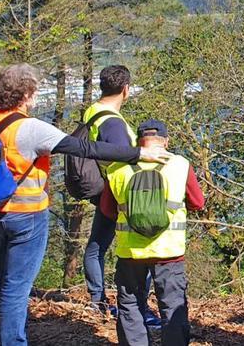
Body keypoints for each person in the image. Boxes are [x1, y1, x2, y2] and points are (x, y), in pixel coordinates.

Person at [0, 64, 169, 346]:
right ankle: (12, 339)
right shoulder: (30, 128)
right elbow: (85, 148)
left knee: (3, 277)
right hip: (27, 217)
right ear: (27, 95)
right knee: (17, 286)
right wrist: (139, 153)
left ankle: (8, 325)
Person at [100, 119, 206, 346]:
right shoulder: (180, 164)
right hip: (169, 252)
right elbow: (198, 202)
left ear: (139, 141)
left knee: (130, 306)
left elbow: (107, 210)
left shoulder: (117, 168)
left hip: (130, 252)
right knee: (172, 306)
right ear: (166, 141)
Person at [81, 65, 158, 324]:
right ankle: (134, 306)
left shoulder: (93, 112)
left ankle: (97, 299)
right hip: (120, 193)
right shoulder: (112, 121)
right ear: (126, 90)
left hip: (106, 189)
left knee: (96, 245)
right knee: (139, 248)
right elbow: (121, 156)